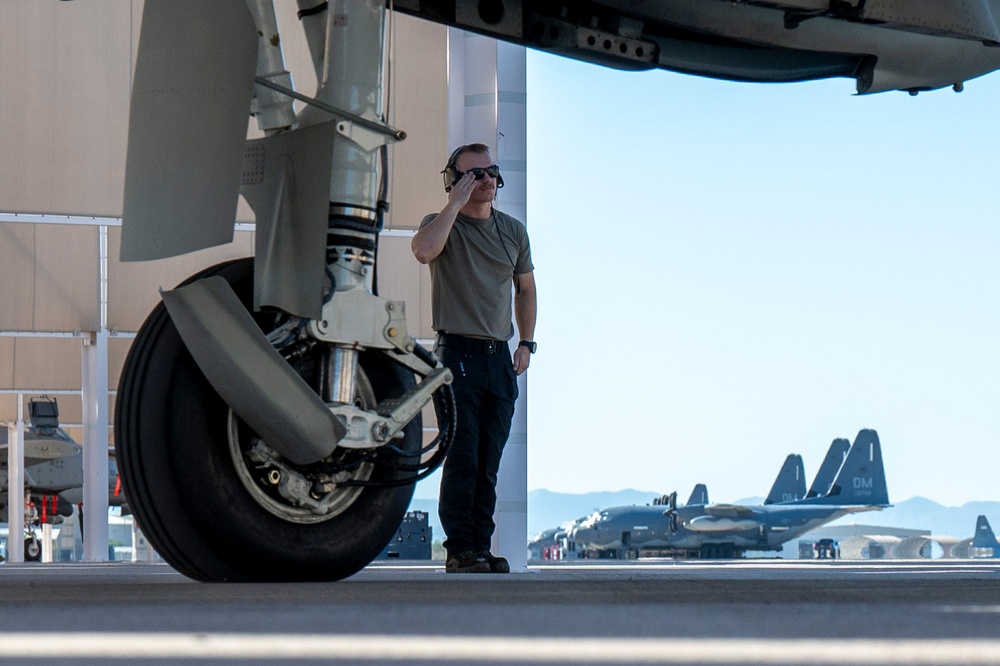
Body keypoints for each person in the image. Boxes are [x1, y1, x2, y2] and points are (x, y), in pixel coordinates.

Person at [411, 143, 537, 574]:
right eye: (472, 174)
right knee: (462, 455)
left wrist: (527, 343)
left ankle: (479, 547)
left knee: (489, 460)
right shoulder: (440, 224)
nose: (484, 180)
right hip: (456, 353)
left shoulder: (513, 231)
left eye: (489, 172)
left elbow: (527, 289)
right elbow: (423, 251)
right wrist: (454, 204)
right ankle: (459, 550)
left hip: (498, 356)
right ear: (454, 180)